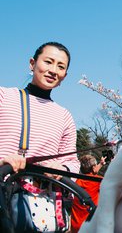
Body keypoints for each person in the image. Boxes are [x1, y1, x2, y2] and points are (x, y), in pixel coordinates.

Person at [0, 41, 80, 175]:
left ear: (64, 76)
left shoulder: (64, 116)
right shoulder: (4, 97)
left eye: (61, 67)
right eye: (48, 62)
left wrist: (62, 169)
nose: (53, 71)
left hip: (43, 193)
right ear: (32, 63)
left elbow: (72, 162)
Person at [71, 155, 105, 233]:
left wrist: (100, 164)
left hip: (75, 227)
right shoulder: (97, 181)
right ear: (93, 168)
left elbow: (92, 173)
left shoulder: (78, 181)